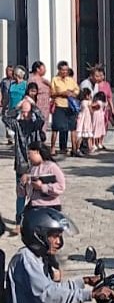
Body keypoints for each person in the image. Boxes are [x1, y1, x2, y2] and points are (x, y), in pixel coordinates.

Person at [4, 97, 45, 233]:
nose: (26, 114)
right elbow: (5, 117)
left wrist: (33, 105)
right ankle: (19, 222)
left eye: (28, 112)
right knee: (20, 194)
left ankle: (35, 221)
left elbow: (42, 119)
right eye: (24, 112)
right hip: (21, 163)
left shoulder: (35, 124)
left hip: (36, 163)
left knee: (36, 193)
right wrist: (17, 106)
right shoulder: (17, 124)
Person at [50, 61, 80, 157]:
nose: (64, 72)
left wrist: (72, 93)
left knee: (73, 127)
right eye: (63, 70)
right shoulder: (55, 80)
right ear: (59, 70)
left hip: (70, 106)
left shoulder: (70, 80)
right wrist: (62, 93)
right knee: (56, 128)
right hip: (59, 105)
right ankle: (53, 148)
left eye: (66, 70)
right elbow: (52, 93)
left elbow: (77, 90)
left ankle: (74, 149)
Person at [25, 141, 66, 211]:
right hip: (34, 205)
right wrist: (23, 183)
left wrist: (42, 187)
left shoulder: (52, 167)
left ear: (37, 152)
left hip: (50, 206)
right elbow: (23, 193)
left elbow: (61, 186)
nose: (28, 157)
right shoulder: (31, 169)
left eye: (29, 154)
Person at [28, 61, 52, 126]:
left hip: (46, 106)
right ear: (38, 69)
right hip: (37, 106)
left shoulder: (44, 80)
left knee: (44, 125)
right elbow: (30, 93)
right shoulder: (33, 80)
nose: (45, 70)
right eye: (43, 68)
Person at [75, 87, 95, 153]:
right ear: (87, 95)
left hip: (81, 120)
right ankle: (90, 147)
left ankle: (77, 148)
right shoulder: (88, 102)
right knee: (89, 136)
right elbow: (91, 110)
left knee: (79, 136)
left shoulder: (81, 102)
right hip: (87, 120)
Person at [1, 64, 14, 145]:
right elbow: (1, 90)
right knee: (5, 119)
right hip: (6, 103)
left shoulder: (16, 81)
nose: (7, 73)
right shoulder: (3, 81)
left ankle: (13, 136)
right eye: (6, 71)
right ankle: (10, 138)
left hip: (13, 103)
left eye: (9, 71)